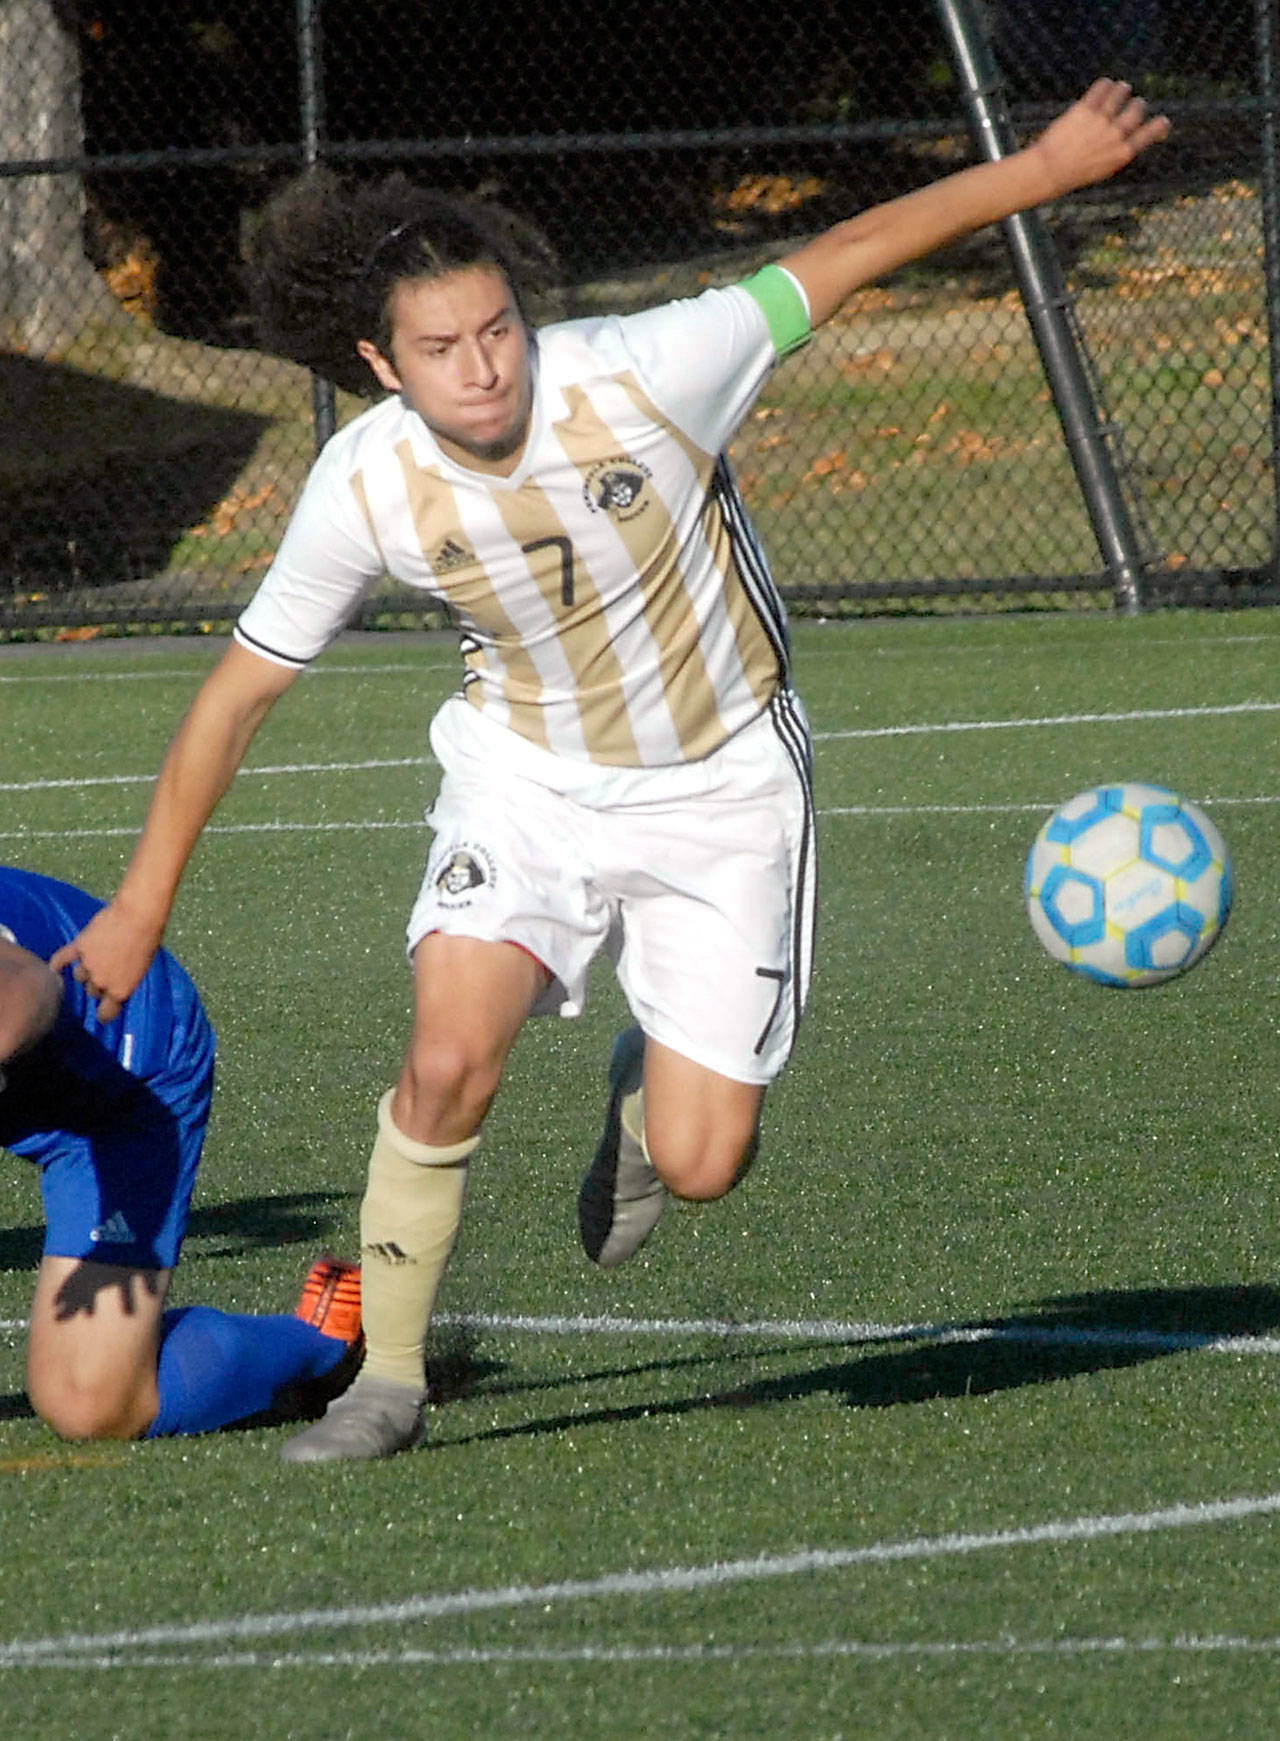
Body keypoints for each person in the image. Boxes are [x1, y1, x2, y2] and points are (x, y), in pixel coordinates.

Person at [51, 80, 1169, 1461]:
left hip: (723, 788)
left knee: (704, 1164)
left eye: (500, 331)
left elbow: (846, 253)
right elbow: (232, 702)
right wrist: (144, 904)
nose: (484, 367)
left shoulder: (652, 368)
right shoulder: (364, 484)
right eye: (443, 348)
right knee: (449, 1056)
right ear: (382, 363)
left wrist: (1046, 167)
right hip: (525, 788)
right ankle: (383, 1381)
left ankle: (646, 1096)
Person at [0, 864, 362, 1441]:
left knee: (89, 1404)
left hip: (126, 1067)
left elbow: (27, 987)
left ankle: (325, 1342)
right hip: (29, 1089)